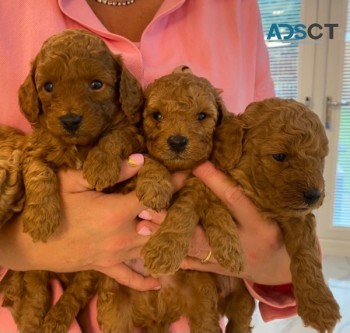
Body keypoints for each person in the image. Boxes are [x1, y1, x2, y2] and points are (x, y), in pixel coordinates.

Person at [0, 0, 297, 331]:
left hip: (200, 309)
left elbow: (279, 172)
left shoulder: (236, 7)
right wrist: (18, 248)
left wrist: (277, 261)